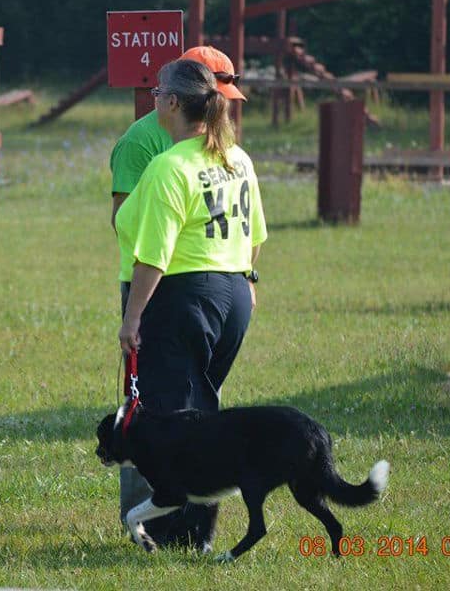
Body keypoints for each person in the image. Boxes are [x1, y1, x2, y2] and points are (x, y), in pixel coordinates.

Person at [114, 58, 267, 552]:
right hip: (231, 295)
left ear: (175, 104)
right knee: (202, 411)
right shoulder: (237, 158)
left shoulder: (170, 167)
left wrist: (132, 317)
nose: (154, 97)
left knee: (173, 421)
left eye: (159, 92)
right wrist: (245, 279)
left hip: (183, 296)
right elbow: (255, 234)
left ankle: (177, 536)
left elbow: (153, 256)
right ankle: (196, 530)